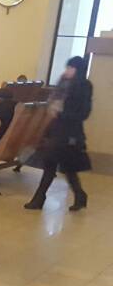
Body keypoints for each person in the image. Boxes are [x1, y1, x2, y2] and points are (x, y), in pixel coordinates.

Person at [25, 56, 92, 211]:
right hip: (56, 129)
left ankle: (40, 198)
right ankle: (78, 195)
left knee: (57, 165)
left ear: (78, 70)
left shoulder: (84, 86)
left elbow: (84, 113)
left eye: (70, 68)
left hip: (70, 132)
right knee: (60, 165)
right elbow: (53, 102)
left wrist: (61, 112)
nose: (67, 71)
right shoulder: (63, 83)